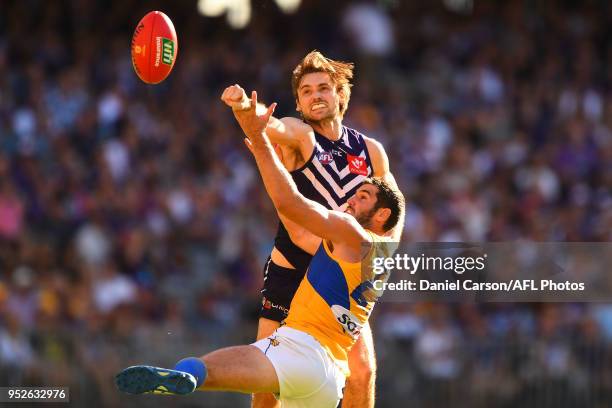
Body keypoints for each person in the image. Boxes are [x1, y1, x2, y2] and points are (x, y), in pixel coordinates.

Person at [115, 91, 404, 408]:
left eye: (362, 196)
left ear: (381, 215)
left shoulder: (350, 232)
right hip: (329, 380)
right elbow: (297, 230)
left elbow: (290, 203)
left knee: (209, 372)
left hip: (298, 351)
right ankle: (187, 376)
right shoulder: (384, 253)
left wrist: (261, 142)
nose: (350, 198)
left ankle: (187, 374)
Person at [220, 50, 403, 408]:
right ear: (299, 102)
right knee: (267, 380)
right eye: (306, 91)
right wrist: (243, 105)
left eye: (323, 87)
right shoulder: (300, 134)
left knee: (362, 372)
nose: (315, 95)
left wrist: (386, 249)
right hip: (292, 266)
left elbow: (395, 200)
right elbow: (270, 125)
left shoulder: (370, 150)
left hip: (339, 273)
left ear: (339, 94)